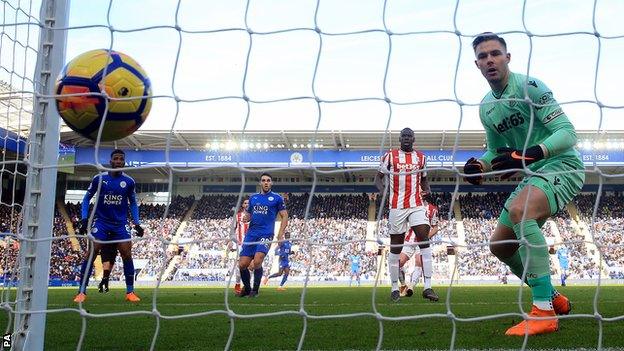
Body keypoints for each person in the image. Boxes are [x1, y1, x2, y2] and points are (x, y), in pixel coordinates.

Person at [464, 32, 584, 335]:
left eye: (495, 53)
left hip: (562, 165)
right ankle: (554, 298)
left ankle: (542, 311)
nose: (489, 59)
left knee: (520, 211)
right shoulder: (486, 107)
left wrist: (530, 154)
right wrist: (480, 164)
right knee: (500, 246)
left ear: (507, 58)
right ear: (477, 64)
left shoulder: (530, 87)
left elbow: (567, 132)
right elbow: (495, 150)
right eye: (483, 56)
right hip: (533, 173)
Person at [375, 127, 438, 302]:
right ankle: (395, 287)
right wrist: (383, 192)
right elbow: (377, 178)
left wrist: (428, 191)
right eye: (404, 136)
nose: (407, 138)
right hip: (397, 206)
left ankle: (428, 287)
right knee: (396, 246)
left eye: (409, 136)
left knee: (424, 240)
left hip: (417, 204)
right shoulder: (390, 156)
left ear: (414, 139)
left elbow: (424, 180)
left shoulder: (421, 158)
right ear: (400, 138)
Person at [74, 149, 144, 303]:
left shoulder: (129, 182)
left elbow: (132, 203)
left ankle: (130, 292)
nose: (118, 161)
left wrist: (137, 223)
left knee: (126, 254)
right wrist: (84, 219)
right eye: (116, 159)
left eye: (121, 159)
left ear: (124, 162)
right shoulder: (99, 179)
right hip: (102, 222)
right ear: (110, 161)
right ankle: (81, 292)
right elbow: (86, 199)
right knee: (91, 253)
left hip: (121, 224)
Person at [237, 173, 288, 297]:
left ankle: (255, 290)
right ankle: (247, 288)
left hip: (266, 234)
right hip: (251, 234)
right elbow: (249, 214)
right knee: (242, 264)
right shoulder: (253, 198)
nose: (266, 182)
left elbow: (284, 215)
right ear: (260, 183)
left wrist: (280, 233)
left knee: (258, 260)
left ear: (271, 183)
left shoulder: (277, 198)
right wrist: (246, 218)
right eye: (263, 180)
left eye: (268, 180)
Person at [399, 201, 439, 298]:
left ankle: (411, 287)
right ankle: (404, 284)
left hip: (421, 242)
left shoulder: (433, 209)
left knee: (419, 263)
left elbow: (435, 228)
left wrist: (425, 238)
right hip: (409, 240)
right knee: (398, 263)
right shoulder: (410, 205)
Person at [230, 197, 250, 295]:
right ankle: (237, 284)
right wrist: (232, 241)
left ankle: (247, 285)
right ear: (242, 205)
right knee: (239, 266)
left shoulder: (254, 216)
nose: (247, 204)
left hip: (251, 244)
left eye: (248, 203)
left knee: (251, 266)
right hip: (241, 244)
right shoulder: (237, 216)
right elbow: (232, 230)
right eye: (245, 203)